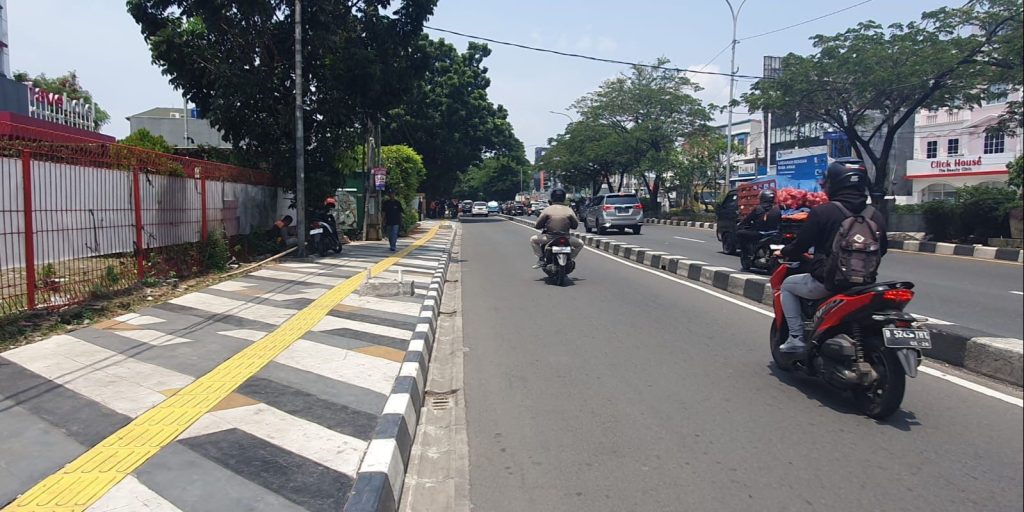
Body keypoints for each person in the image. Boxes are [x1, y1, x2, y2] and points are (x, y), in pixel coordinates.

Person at [776, 158, 888, 353]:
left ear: (835, 183)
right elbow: (883, 249)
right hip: (864, 285)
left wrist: (783, 251)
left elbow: (801, 245)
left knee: (787, 286)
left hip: (827, 282)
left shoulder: (823, 212)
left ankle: (795, 337)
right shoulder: (875, 215)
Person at [531, 188, 584, 268]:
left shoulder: (547, 209)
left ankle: (541, 259)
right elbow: (575, 225)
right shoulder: (569, 210)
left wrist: (537, 226)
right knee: (580, 243)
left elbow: (538, 225)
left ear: (552, 198)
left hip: (550, 238)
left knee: (533, 239)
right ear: (563, 198)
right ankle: (570, 260)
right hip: (566, 238)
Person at [735, 189, 781, 260]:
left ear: (762, 198)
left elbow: (747, 220)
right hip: (774, 233)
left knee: (739, 233)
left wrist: (741, 224)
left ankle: (745, 255)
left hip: (760, 234)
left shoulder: (758, 209)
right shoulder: (777, 209)